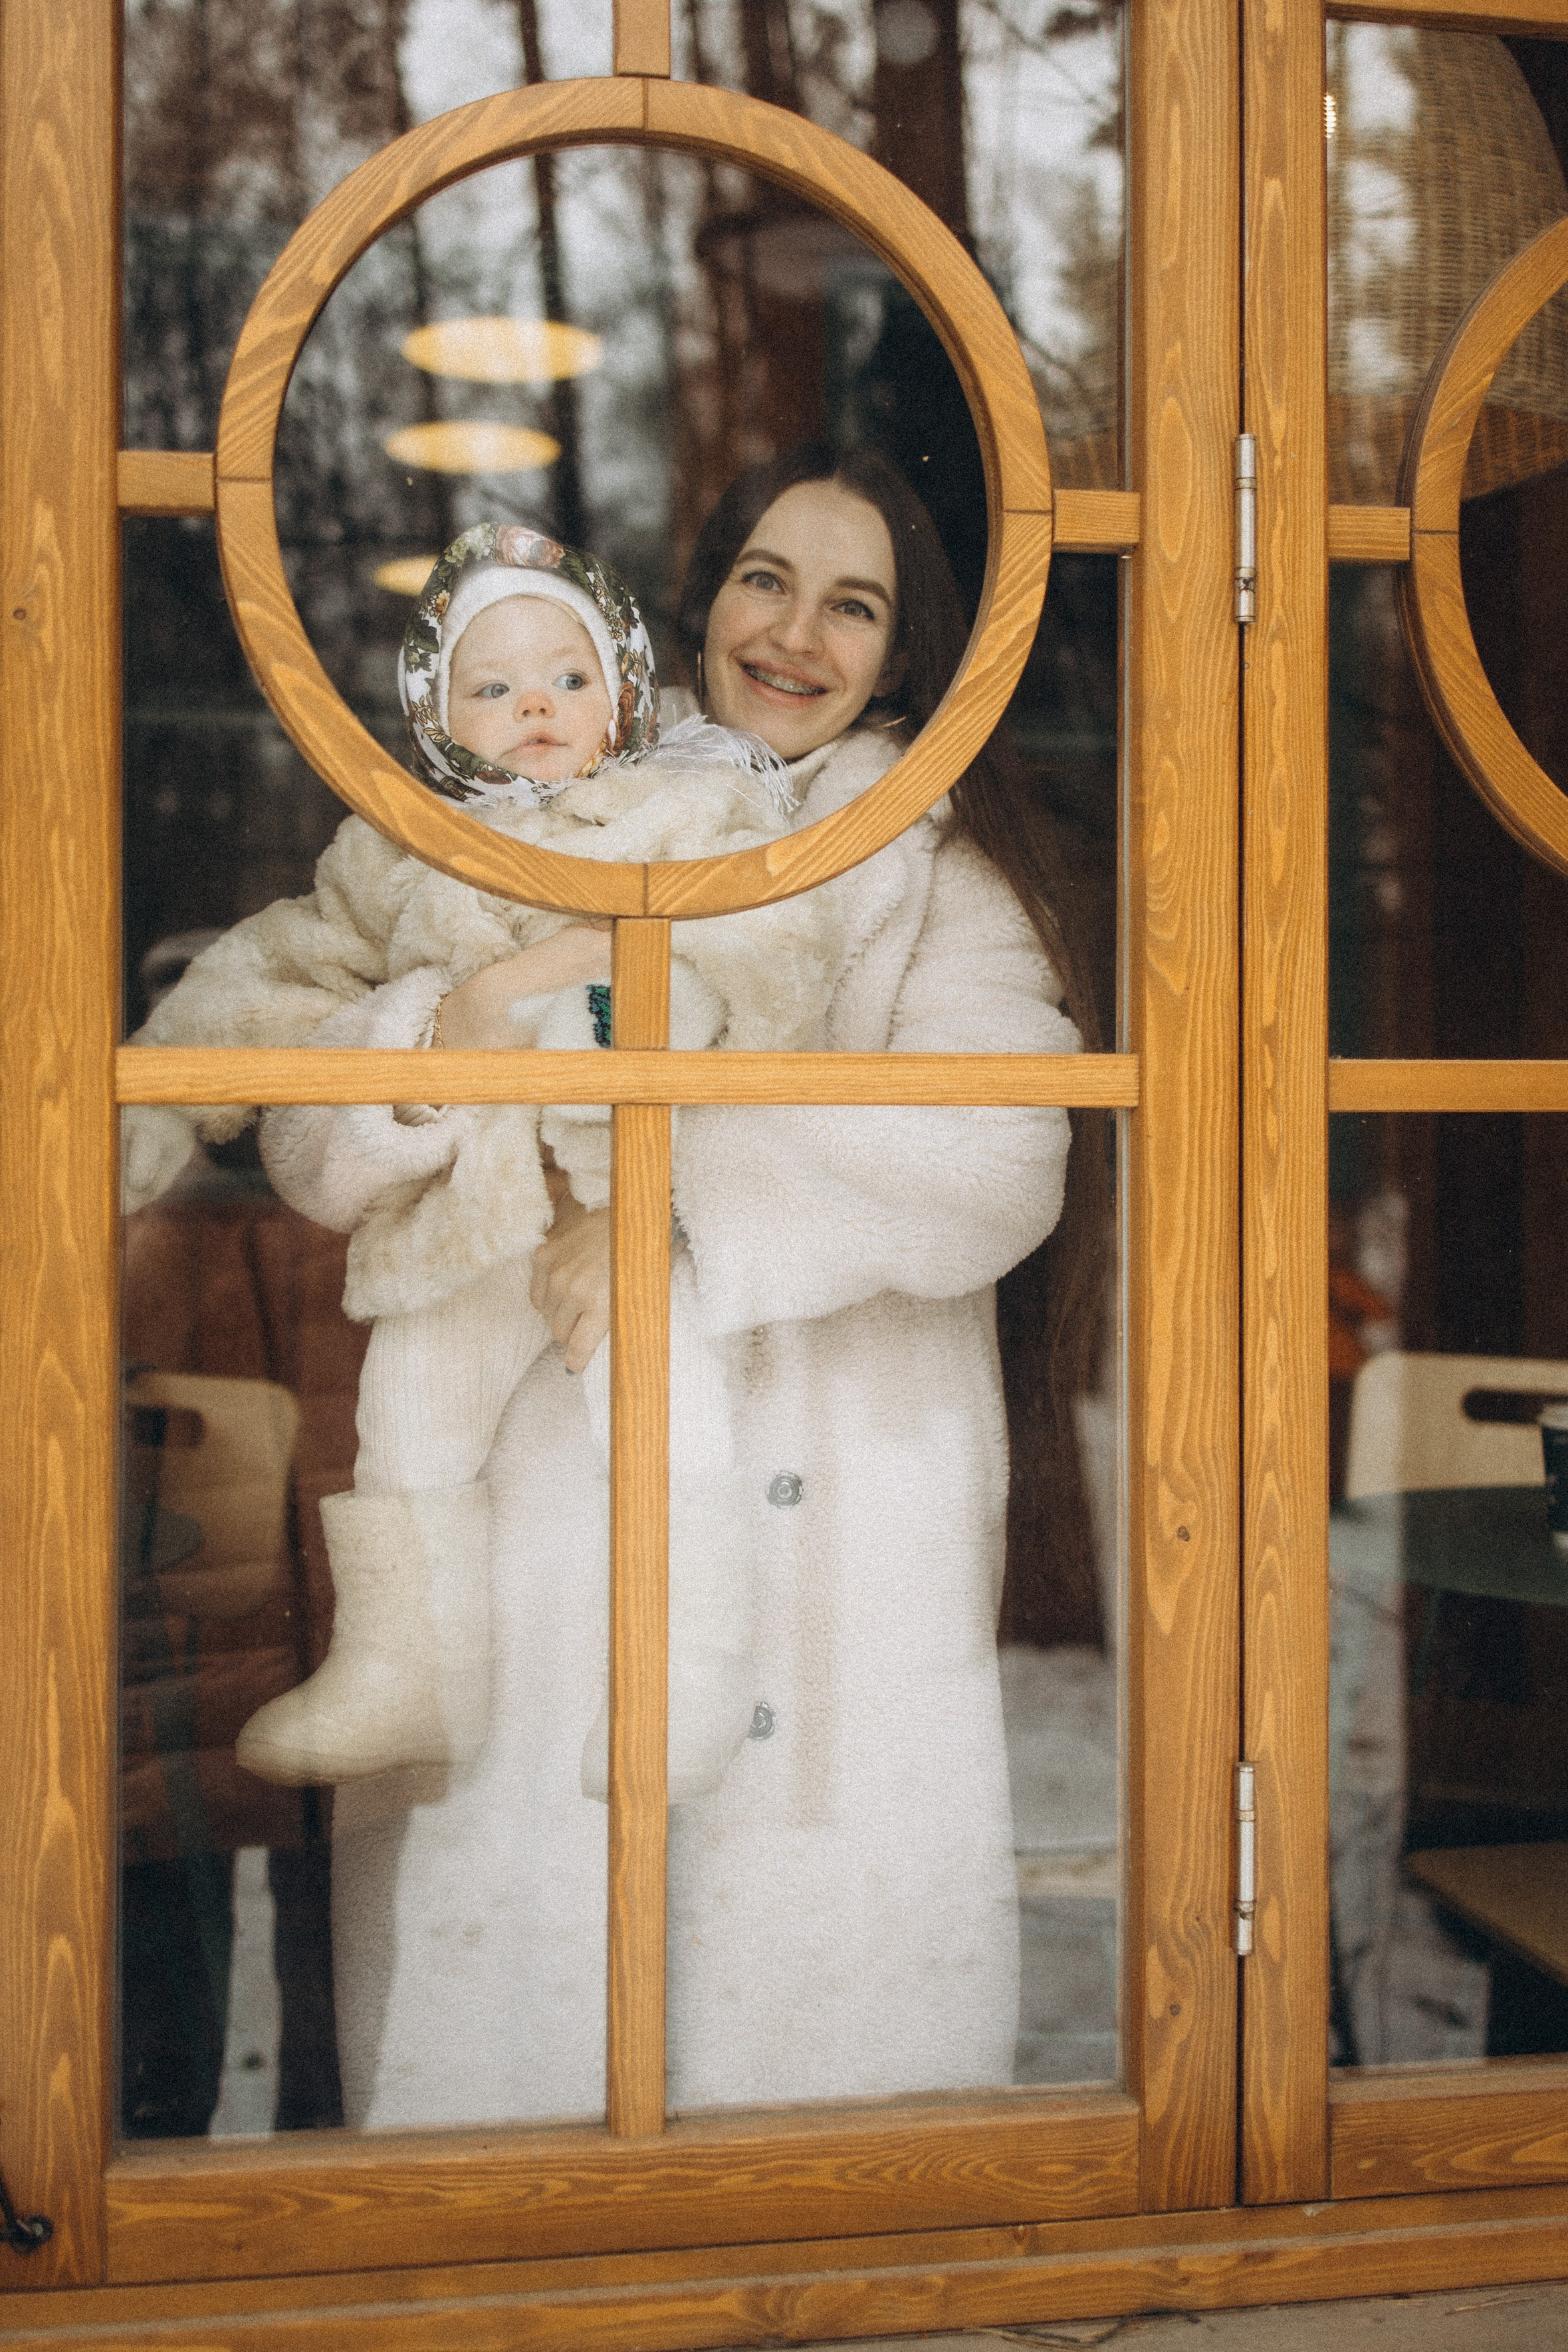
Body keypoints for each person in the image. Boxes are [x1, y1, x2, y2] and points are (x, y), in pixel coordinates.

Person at [269, 445, 1101, 2130]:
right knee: (522, 2004)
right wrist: (468, 1025)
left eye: (851, 604)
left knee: (814, 2060)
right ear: (701, 601)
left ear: (910, 658)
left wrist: (658, 1207)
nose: (795, 632)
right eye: (763, 581)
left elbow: (995, 1163)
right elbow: (310, 1144)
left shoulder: (949, 879)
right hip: (547, 1505)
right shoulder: (541, 795)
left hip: (842, 1528)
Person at [120, 521, 843, 1804]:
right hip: (474, 1206)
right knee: (408, 1413)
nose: (536, 710)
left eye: (567, 679)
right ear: (439, 717)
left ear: (621, 686)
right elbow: (273, 967)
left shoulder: (692, 805)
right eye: (492, 687)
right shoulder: (400, 847)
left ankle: (689, 1671)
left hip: (631, 1193)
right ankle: (409, 1663)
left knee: (668, 1416)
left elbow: (773, 957)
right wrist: (170, 1101)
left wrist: (600, 976)